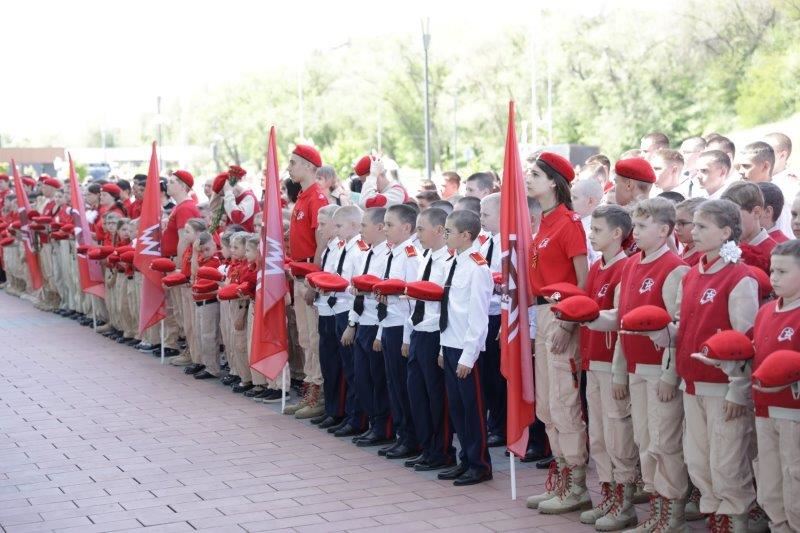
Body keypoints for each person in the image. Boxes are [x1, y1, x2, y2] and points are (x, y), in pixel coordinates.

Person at [592, 197, 690, 530]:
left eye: (643, 226)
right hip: (634, 368)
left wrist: (670, 374)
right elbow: (623, 321)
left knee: (664, 442)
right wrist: (619, 369)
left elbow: (678, 328)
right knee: (644, 442)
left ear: (664, 230)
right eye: (635, 224)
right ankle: (656, 510)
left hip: (659, 370)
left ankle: (672, 515)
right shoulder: (632, 265)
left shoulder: (675, 268)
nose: (635, 231)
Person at [668, 199, 758, 530]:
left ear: (725, 232)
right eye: (694, 225)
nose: (694, 231)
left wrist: (738, 388)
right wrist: (663, 335)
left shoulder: (739, 277)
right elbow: (682, 326)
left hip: (722, 387)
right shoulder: (692, 274)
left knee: (727, 460)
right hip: (692, 383)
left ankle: (734, 520)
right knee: (698, 459)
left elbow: (745, 341)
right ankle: (716, 517)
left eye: (702, 226)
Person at [523, 152, 591, 514]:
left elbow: (583, 281)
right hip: (542, 313)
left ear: (553, 181)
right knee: (547, 404)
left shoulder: (569, 223)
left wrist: (567, 321)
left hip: (561, 314)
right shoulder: (543, 222)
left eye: (535, 174)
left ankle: (577, 484)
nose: (528, 178)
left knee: (565, 401)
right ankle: (562, 476)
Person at [578, 205, 639, 530]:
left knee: (617, 433)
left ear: (617, 233)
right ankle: (608, 494)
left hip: (612, 361)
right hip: (593, 359)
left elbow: (619, 319)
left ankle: (625, 500)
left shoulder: (625, 267)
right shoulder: (596, 266)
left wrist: (619, 368)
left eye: (597, 230)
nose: (591, 234)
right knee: (599, 434)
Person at [437, 209, 493, 486]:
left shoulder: (477, 267)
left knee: (472, 409)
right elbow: (448, 308)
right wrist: (441, 347)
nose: (445, 235)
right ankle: (466, 460)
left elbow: (478, 317)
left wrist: (468, 356)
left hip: (465, 349)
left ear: (466, 235)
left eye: (449, 231)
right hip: (450, 343)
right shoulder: (453, 262)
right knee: (457, 408)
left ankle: (479, 463)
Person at [752, 239, 800, 532]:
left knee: (795, 478)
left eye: (783, 272)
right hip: (764, 410)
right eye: (772, 271)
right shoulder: (765, 311)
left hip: (793, 414)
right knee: (770, 481)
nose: (774, 278)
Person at [404, 207, 455, 471]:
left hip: (436, 333)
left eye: (421, 229)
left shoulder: (448, 261)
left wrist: (443, 347)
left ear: (439, 230)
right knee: (417, 393)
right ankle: (427, 447)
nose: (418, 234)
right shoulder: (425, 257)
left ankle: (442, 450)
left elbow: (448, 307)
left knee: (437, 396)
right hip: (419, 330)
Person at [343, 207, 394, 448]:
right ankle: (373, 422)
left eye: (364, 226)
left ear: (379, 227)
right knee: (362, 378)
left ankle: (383, 427)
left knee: (378, 380)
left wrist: (381, 333)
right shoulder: (367, 254)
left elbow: (387, 296)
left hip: (376, 323)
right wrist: (352, 322)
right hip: (363, 321)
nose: (361, 230)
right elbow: (356, 289)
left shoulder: (387, 256)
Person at [375, 204, 421, 460]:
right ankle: (402, 434)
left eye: (389, 224)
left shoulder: (410, 255)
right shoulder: (392, 252)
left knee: (403, 387)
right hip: (389, 324)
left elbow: (411, 300)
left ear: (406, 227)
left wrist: (406, 337)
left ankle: (410, 438)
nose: (385, 229)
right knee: (393, 384)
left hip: (401, 327)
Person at [286, 144, 328, 417]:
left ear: (309, 166)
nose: (289, 167)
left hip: (309, 275)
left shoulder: (317, 198)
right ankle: (310, 385)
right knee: (304, 337)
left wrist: (314, 276)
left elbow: (321, 241)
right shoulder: (303, 196)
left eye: (293, 163)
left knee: (313, 337)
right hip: (299, 273)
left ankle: (318, 393)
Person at [322, 205, 367, 435]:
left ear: (354, 225)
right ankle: (348, 414)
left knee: (354, 370)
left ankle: (357, 418)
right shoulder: (344, 247)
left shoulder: (359, 250)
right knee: (346, 368)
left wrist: (352, 322)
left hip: (350, 311)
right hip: (337, 309)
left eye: (339, 226)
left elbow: (358, 288)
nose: (336, 230)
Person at [310, 204, 347, 423]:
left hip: (338, 310)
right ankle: (331, 408)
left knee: (337, 364)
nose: (319, 229)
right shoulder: (329, 248)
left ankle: (339, 411)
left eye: (323, 224)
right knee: (328, 362)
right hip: (326, 309)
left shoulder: (343, 248)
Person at [477, 193, 505, 447]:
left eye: (486, 214)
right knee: (486, 374)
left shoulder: (508, 244)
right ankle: (493, 421)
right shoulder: (486, 242)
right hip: (484, 314)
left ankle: (501, 426)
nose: (481, 218)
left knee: (498, 376)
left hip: (499, 314)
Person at [722, 181, 777, 274]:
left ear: (756, 212)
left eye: (734, 216)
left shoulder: (775, 252)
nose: (728, 223)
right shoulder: (727, 247)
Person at [571, 178, 604, 264]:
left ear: (590, 201)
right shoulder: (576, 222)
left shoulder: (597, 228)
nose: (570, 200)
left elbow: (598, 262)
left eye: (574, 197)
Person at [674, 198, 705, 266]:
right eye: (675, 222)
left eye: (682, 223)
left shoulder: (703, 258)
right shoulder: (685, 251)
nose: (676, 228)